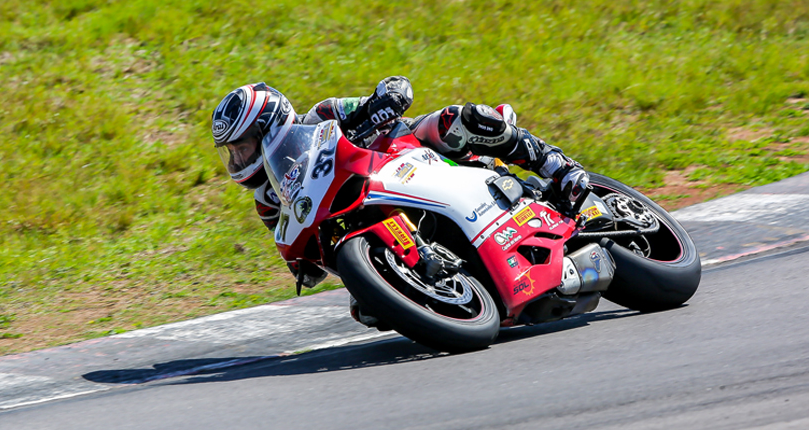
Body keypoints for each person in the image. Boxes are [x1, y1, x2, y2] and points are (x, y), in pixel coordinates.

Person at [211, 77, 589, 324]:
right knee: (367, 311)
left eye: (242, 148)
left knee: (463, 119)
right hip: (364, 207)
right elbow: (306, 266)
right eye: (232, 153)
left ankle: (558, 167)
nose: (238, 162)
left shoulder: (321, 116)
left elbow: (396, 92)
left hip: (407, 154)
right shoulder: (268, 200)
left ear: (269, 127)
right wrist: (306, 265)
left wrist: (382, 100)